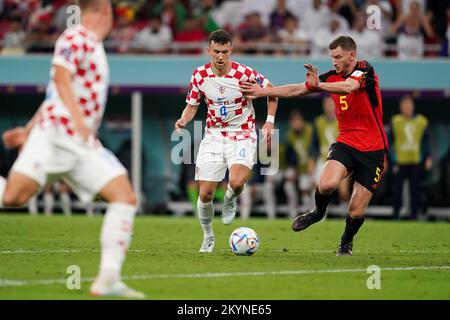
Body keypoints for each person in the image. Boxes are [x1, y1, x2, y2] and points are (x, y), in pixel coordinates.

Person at [0, 0, 144, 298]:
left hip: (75, 141)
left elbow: (54, 92)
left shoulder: (90, 43)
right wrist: (78, 121)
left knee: (124, 197)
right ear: (106, 11)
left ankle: (108, 278)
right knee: (13, 197)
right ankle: (109, 278)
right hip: (56, 135)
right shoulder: (77, 36)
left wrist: (25, 130)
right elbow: (61, 75)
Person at [241, 35, 388, 256]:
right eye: (332, 57)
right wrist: (264, 92)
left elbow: (348, 88)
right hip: (346, 142)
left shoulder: (365, 70)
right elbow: (297, 90)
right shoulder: (331, 76)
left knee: (356, 210)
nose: (334, 61)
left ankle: (346, 241)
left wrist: (318, 84)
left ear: (352, 55)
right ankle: (318, 212)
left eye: (338, 57)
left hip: (373, 149)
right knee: (327, 184)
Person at [175, 29, 278, 252]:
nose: (220, 57)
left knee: (237, 181)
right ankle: (209, 236)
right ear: (208, 51)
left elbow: (272, 91)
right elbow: (192, 105)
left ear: (230, 50)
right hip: (213, 136)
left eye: (224, 52)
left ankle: (230, 199)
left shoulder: (244, 73)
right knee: (205, 193)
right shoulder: (200, 75)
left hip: (242, 134)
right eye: (216, 52)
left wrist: (269, 121)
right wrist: (183, 119)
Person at [389, 95, 432, 220]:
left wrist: (428, 157)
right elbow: (389, 142)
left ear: (413, 107)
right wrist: (388, 159)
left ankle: (414, 215)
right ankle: (395, 214)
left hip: (415, 160)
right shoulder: (395, 121)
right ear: (400, 107)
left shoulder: (421, 121)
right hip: (399, 161)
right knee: (396, 190)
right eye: (404, 105)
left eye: (409, 105)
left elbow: (426, 141)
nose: (407, 108)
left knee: (415, 190)